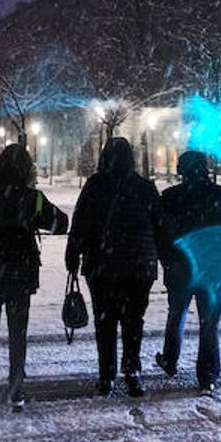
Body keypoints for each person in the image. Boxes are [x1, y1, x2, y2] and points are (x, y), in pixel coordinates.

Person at [0, 143, 69, 410]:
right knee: (18, 327)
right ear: (27, 170)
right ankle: (16, 377)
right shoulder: (33, 199)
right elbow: (61, 223)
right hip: (21, 271)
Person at [66, 137, 161, 397]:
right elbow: (159, 225)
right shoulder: (144, 187)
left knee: (105, 322)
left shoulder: (95, 186)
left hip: (102, 265)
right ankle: (132, 371)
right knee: (133, 321)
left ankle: (106, 375)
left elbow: (81, 222)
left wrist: (73, 255)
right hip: (138, 265)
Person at [155, 151, 221, 392]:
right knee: (209, 325)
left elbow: (161, 237)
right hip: (214, 270)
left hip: (180, 269)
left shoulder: (170, 198)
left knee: (176, 315)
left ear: (182, 170)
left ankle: (170, 359)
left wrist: (168, 261)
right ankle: (207, 375)